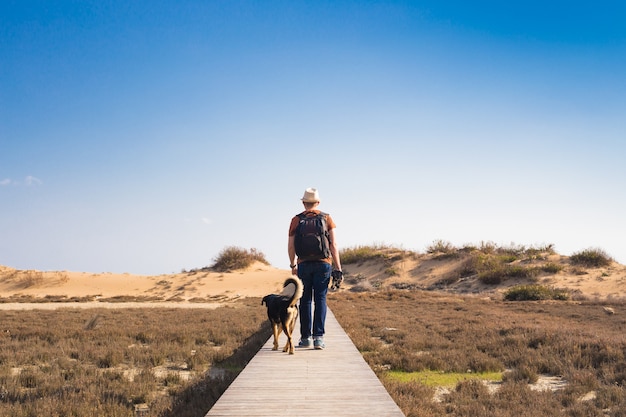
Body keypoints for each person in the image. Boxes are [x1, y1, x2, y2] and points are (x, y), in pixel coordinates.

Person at [288, 187, 342, 350]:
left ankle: (306, 338)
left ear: (304, 203)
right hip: (324, 263)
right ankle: (319, 338)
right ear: (317, 202)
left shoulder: (296, 220)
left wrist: (292, 265)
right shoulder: (327, 218)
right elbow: (334, 245)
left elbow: (290, 246)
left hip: (304, 264)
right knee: (320, 299)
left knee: (305, 300)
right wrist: (338, 267)